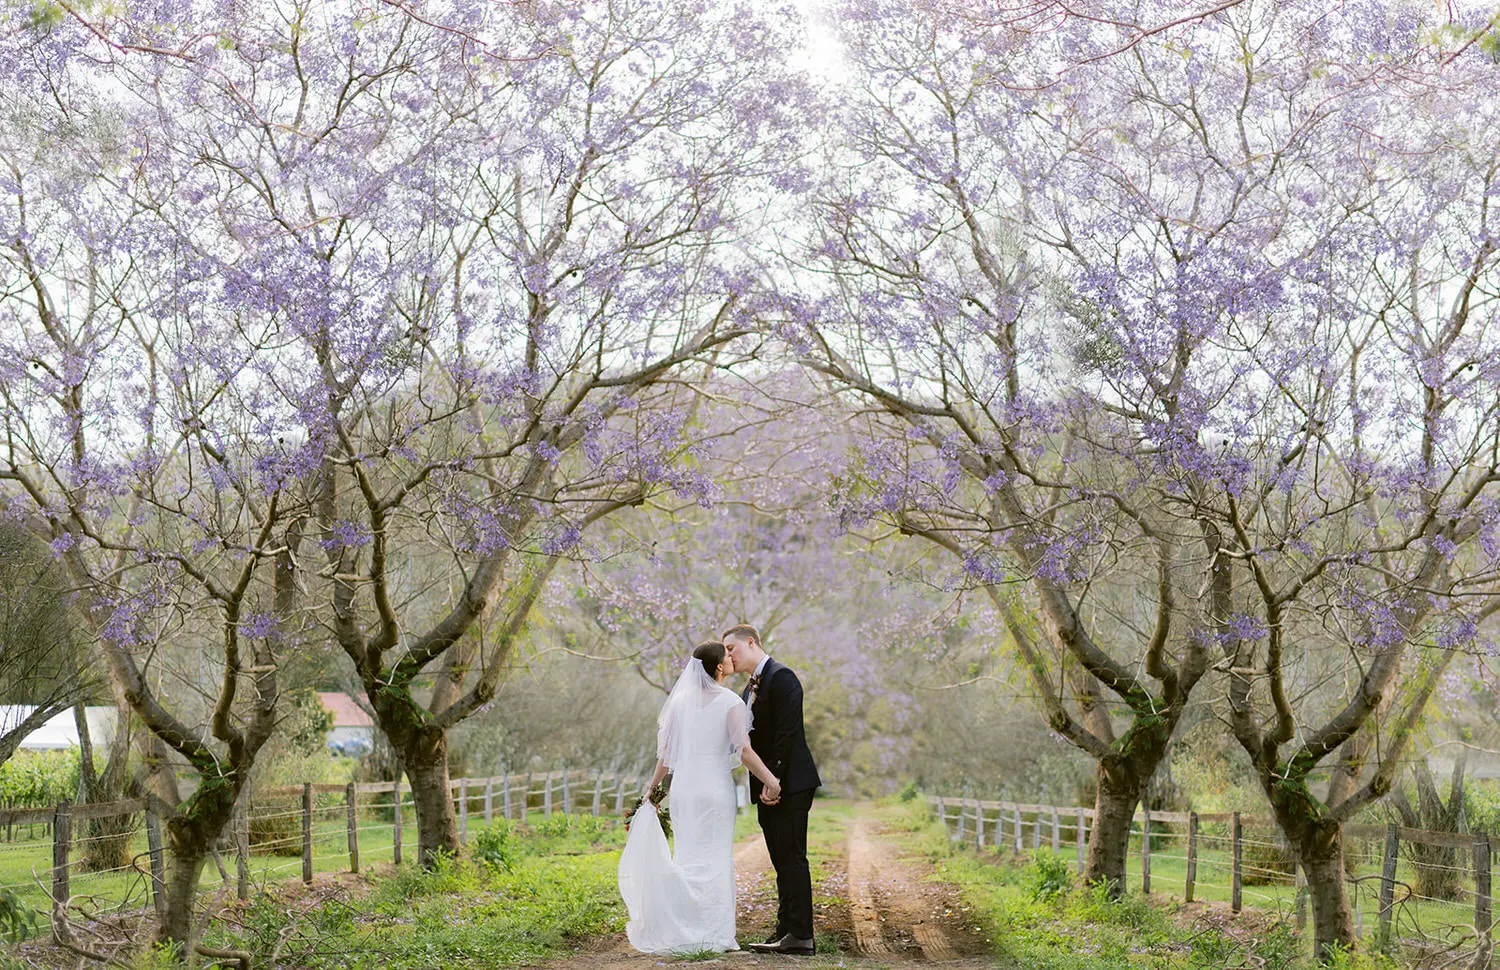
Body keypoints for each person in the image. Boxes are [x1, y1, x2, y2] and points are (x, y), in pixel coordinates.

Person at [617, 640, 782, 954]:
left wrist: (651, 789)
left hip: (683, 792)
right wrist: (771, 781)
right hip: (713, 791)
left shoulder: (680, 703)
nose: (732, 658)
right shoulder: (731, 703)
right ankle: (716, 933)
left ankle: (684, 927)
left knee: (688, 858)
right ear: (719, 667)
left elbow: (666, 756)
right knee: (715, 859)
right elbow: (744, 751)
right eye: (727, 656)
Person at [724, 623, 821, 956]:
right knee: (780, 860)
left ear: (751, 643)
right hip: (768, 785)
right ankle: (787, 930)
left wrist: (773, 779)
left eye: (731, 649)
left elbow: (787, 732)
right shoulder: (748, 689)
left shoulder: (783, 677)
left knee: (792, 857)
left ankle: (801, 935)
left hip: (790, 783)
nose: (728, 656)